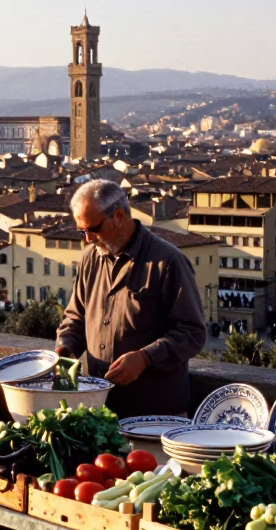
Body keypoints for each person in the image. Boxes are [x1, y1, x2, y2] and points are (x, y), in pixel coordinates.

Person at [54, 179, 206, 418]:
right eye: (82, 231)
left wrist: (146, 358)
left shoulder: (168, 262)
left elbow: (193, 333)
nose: (87, 239)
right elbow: (76, 317)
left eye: (93, 229)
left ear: (119, 216)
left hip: (155, 414)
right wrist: (65, 346)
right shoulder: (90, 258)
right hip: (102, 409)